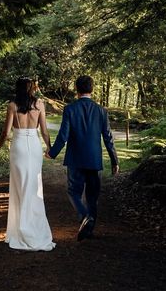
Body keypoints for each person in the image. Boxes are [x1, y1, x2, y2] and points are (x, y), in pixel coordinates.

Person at [46, 75, 119, 241]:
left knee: (73, 191)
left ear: (76, 90)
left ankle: (85, 215)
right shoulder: (101, 111)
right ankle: (89, 228)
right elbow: (108, 138)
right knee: (92, 196)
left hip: (76, 159)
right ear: (91, 89)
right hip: (94, 160)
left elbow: (63, 136)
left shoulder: (70, 109)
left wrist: (52, 153)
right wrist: (115, 161)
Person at [0, 77, 56, 251]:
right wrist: (50, 148)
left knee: (19, 186)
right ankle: (34, 227)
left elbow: (5, 132)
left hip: (19, 145)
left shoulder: (12, 105)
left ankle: (20, 229)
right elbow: (43, 131)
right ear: (31, 89)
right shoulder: (40, 105)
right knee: (34, 185)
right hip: (34, 146)